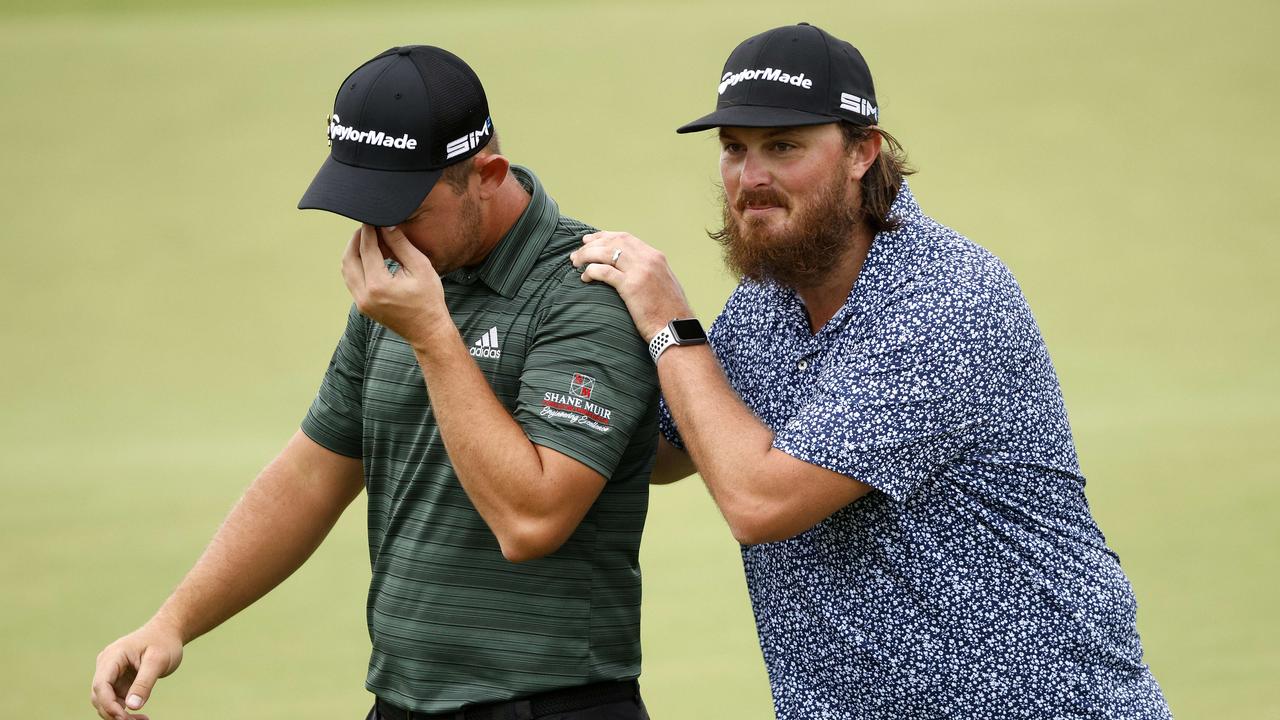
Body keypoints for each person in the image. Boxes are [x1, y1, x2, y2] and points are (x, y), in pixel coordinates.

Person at [571, 22, 1171, 720]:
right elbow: (670, 446)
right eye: (734, 149)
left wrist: (669, 323)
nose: (750, 178)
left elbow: (759, 503)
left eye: (783, 146)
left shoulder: (946, 299)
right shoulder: (769, 297)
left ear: (863, 151)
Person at [90, 45, 657, 720]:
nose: (379, 237)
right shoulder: (405, 290)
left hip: (551, 702)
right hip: (401, 701)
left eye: (402, 210)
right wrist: (172, 623)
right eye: (364, 209)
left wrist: (431, 336)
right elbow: (309, 477)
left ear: (488, 174)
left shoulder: (583, 293)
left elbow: (532, 520)